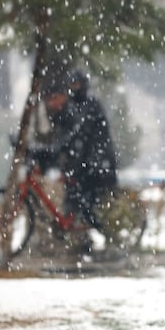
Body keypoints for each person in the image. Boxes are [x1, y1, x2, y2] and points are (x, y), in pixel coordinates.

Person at [39, 67, 118, 254]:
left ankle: (96, 234)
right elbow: (63, 137)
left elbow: (77, 135)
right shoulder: (70, 107)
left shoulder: (90, 105)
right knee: (73, 202)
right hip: (79, 164)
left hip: (94, 164)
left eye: (77, 84)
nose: (74, 88)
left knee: (86, 204)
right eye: (71, 84)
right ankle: (82, 239)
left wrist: (56, 150)